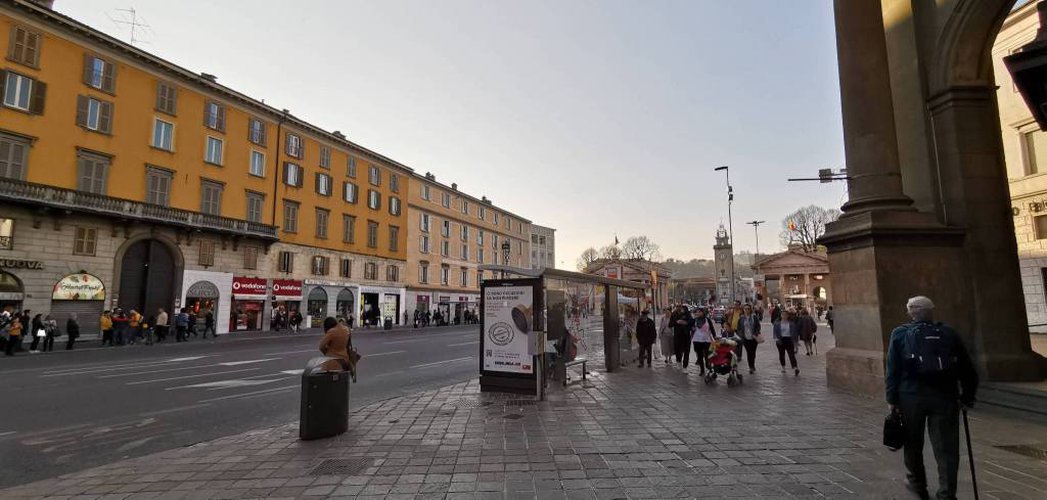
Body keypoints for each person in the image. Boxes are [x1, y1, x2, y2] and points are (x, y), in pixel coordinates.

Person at [886, 296, 978, 500]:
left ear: (911, 312)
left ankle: (918, 485)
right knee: (947, 449)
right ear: (931, 312)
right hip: (945, 397)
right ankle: (946, 493)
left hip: (910, 397)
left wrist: (892, 399)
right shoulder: (948, 333)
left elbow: (892, 369)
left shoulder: (900, 334)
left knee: (912, 444)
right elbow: (968, 369)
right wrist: (967, 397)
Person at [773, 308, 800, 376]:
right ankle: (783, 367)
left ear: (788, 316)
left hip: (789, 339)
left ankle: (795, 368)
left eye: (785, 315)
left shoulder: (791, 323)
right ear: (781, 315)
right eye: (783, 314)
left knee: (791, 354)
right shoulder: (777, 323)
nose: (784, 316)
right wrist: (776, 339)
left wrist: (796, 342)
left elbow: (795, 333)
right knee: (781, 354)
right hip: (780, 340)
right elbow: (775, 332)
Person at [691, 308, 716, 376]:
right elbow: (690, 328)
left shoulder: (707, 320)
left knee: (707, 355)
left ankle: (708, 367)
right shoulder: (694, 320)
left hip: (706, 340)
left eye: (700, 312)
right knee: (700, 356)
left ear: (703, 312)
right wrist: (692, 329)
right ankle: (702, 370)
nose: (698, 313)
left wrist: (714, 336)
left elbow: (712, 329)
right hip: (697, 340)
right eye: (697, 312)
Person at [737, 304, 761, 374]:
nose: (746, 310)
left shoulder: (754, 317)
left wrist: (755, 333)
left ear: (750, 309)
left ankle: (752, 365)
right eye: (745, 309)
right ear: (743, 310)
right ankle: (751, 367)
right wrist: (741, 335)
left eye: (748, 309)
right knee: (748, 352)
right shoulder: (741, 318)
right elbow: (739, 328)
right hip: (745, 338)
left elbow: (758, 326)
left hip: (753, 338)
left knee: (753, 353)